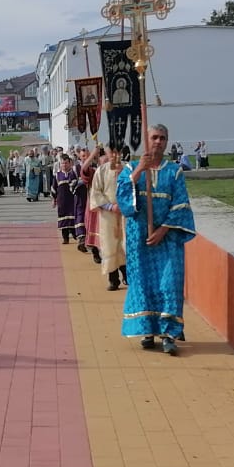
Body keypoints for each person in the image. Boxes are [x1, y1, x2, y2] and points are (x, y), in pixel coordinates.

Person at [117, 125, 196, 355]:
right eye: (154, 137)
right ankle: (147, 331)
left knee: (169, 284)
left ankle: (169, 334)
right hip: (140, 238)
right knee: (143, 283)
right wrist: (140, 169)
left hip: (168, 239)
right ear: (147, 139)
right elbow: (122, 197)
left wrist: (163, 230)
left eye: (162, 138)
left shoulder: (174, 171)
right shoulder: (131, 167)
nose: (158, 141)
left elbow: (181, 204)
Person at [90, 144, 128, 290]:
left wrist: (126, 205)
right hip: (108, 215)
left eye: (117, 152)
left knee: (125, 244)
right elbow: (96, 192)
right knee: (109, 245)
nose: (114, 155)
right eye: (111, 152)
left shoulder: (128, 169)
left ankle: (128, 275)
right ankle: (113, 279)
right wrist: (110, 207)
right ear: (107, 153)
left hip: (126, 214)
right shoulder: (102, 171)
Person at [54, 154, 81, 244]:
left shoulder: (73, 174)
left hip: (72, 200)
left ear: (69, 163)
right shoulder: (57, 175)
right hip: (62, 201)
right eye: (62, 163)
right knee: (63, 219)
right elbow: (54, 188)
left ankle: (75, 235)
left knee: (73, 217)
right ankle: (65, 238)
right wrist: (54, 199)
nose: (64, 165)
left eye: (66, 163)